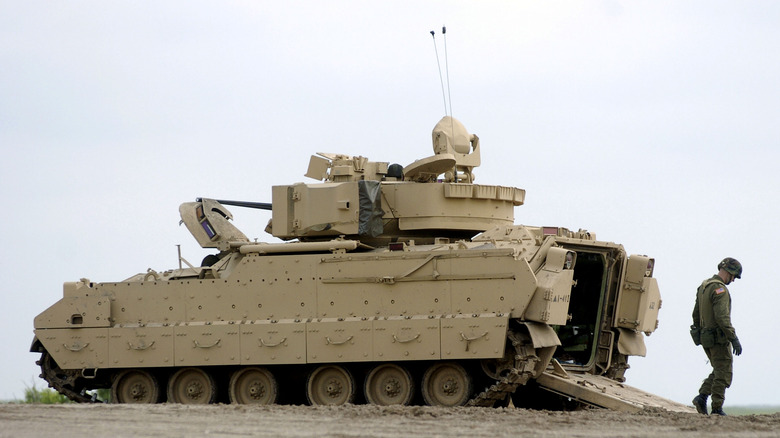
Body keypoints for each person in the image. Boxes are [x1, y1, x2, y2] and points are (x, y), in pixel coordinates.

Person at [691, 257, 743, 416]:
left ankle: (701, 396)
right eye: (734, 276)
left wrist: (700, 333)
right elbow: (722, 317)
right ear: (729, 272)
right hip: (719, 338)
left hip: (706, 338)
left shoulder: (704, 287)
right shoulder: (720, 290)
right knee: (724, 373)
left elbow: (696, 314)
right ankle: (717, 408)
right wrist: (733, 338)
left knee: (718, 370)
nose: (733, 280)